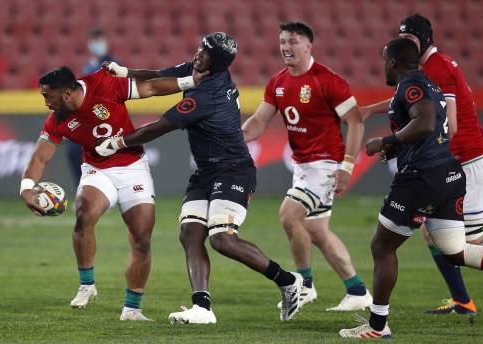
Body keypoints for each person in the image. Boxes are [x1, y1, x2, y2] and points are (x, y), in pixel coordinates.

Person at [97, 32, 304, 324]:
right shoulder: (200, 70)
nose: (198, 54)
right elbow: (159, 77)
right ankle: (202, 308)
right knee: (190, 234)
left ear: (216, 63)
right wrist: (126, 72)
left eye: (204, 52)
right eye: (199, 48)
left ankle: (287, 280)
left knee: (222, 240)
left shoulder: (208, 95)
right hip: (206, 171)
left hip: (233, 169)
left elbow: (160, 126)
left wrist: (118, 143)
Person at [340, 37, 483, 339]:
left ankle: (377, 326)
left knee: (382, 246)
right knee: (455, 251)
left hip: (420, 180)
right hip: (448, 176)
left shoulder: (411, 86)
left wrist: (385, 142)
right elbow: (430, 133)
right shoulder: (431, 86)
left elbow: (424, 122)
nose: (383, 65)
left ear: (393, 62)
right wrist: (397, 149)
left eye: (385, 59)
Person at [19, 65, 205, 321]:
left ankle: (132, 309)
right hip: (97, 169)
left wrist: (189, 82)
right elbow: (40, 157)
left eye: (47, 96)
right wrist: (26, 187)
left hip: (133, 167)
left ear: (65, 95)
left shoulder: (103, 84)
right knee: (84, 214)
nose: (45, 103)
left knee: (141, 237)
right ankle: (87, 285)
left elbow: (149, 87)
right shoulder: (56, 120)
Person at [241, 21, 371, 311]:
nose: (286, 47)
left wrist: (347, 166)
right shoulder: (277, 82)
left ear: (309, 46)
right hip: (302, 166)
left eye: (293, 42)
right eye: (283, 42)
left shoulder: (327, 80)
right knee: (317, 231)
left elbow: (355, 121)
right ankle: (357, 291)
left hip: (326, 165)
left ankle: (305, 285)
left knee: (289, 216)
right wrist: (236, 139)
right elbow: (260, 121)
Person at [64, 28, 119, 185]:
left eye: (99, 40)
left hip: (105, 115)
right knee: (73, 149)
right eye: (94, 40)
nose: (96, 44)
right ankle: (82, 188)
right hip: (88, 115)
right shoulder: (89, 65)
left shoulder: (112, 64)